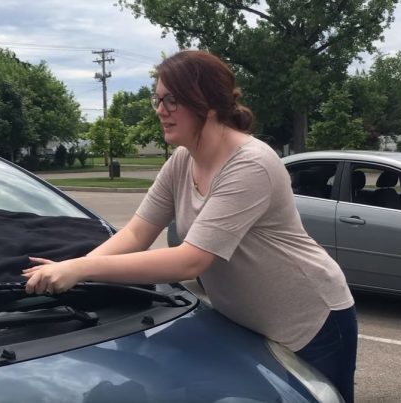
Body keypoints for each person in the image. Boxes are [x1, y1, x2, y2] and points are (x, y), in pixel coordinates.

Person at [23, 50, 357, 402]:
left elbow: (190, 260)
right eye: (158, 98)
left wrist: (82, 269)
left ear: (208, 103)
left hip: (311, 323)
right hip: (248, 324)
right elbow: (137, 233)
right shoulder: (183, 160)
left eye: (172, 99)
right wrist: (73, 271)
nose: (160, 110)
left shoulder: (251, 164)